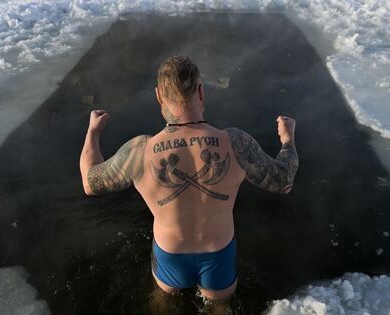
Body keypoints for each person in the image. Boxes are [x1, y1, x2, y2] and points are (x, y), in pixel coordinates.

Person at [80, 55, 298, 302]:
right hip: (219, 255)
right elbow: (283, 181)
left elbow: (90, 183)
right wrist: (287, 139)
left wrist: (93, 132)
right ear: (202, 92)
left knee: (162, 306)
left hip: (170, 255)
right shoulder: (235, 143)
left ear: (159, 96)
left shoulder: (140, 151)